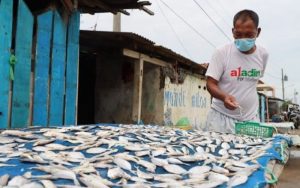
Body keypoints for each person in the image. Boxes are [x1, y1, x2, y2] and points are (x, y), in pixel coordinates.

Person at [204, 9, 269, 133]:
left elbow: (252, 83)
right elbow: (210, 83)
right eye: (238, 35)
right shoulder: (221, 52)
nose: (243, 39)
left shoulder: (263, 54)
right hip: (221, 119)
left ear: (258, 32)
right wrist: (224, 97)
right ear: (233, 32)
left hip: (251, 119)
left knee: (252, 151)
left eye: (249, 35)